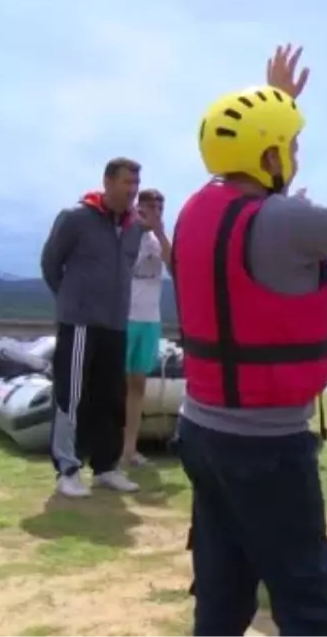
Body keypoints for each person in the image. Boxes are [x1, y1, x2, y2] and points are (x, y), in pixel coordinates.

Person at [171, 44, 327, 636]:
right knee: (307, 599)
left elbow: (259, 205)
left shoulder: (192, 211)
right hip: (267, 447)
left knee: (224, 592)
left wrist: (279, 102)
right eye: (290, 144)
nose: (297, 156)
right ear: (269, 153)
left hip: (201, 432)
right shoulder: (283, 220)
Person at [40, 156, 153, 498]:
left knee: (110, 397)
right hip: (79, 323)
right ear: (107, 182)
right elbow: (50, 263)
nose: (132, 191)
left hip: (116, 325)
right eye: (125, 183)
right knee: (71, 395)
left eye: (135, 184)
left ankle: (106, 467)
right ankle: (67, 470)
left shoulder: (135, 228)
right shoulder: (75, 219)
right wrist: (70, 302)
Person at [123, 188, 171, 467]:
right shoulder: (125, 234)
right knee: (117, 385)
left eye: (159, 209)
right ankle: (110, 446)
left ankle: (130, 450)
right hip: (124, 318)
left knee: (137, 385)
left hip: (149, 320)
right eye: (148, 208)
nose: (153, 213)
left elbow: (176, 267)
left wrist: (161, 231)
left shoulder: (156, 241)